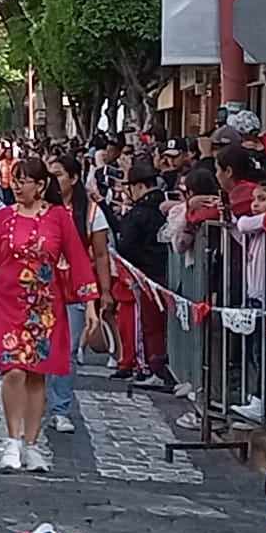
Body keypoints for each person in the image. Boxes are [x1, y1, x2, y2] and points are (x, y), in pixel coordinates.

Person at [0, 157, 100, 473]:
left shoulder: (59, 218)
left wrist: (90, 302)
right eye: (16, 179)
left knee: (38, 374)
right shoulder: (4, 218)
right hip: (7, 302)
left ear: (40, 186)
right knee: (13, 370)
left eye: (25, 180)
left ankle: (32, 444)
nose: (18, 185)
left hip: (45, 306)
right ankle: (12, 440)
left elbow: (78, 260)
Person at [45, 155, 113, 430]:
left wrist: (103, 292)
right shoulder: (40, 210)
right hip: (42, 286)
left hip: (76, 287)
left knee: (68, 349)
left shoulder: (92, 212)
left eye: (59, 175)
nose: (53, 181)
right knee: (40, 348)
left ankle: (60, 408)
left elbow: (100, 255)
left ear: (73, 178)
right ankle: (37, 402)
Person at [111, 163, 170, 386]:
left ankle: (149, 367)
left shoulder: (140, 213)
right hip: (158, 272)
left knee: (148, 323)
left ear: (139, 186)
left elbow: (126, 245)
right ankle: (152, 366)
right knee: (154, 324)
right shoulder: (162, 208)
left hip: (145, 274)